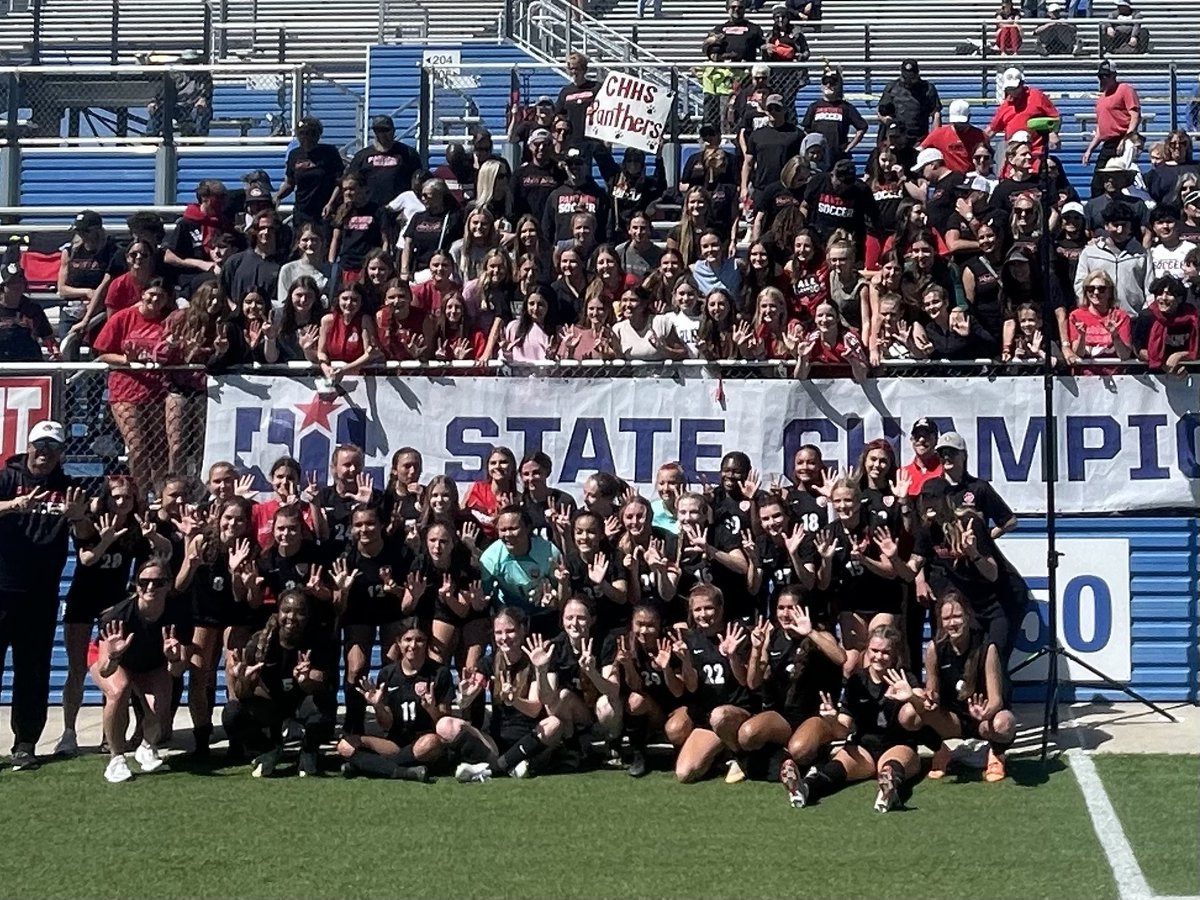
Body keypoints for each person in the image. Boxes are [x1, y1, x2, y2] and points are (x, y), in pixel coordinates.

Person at [57, 476, 171, 756]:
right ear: (106, 498)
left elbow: (164, 552)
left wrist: (151, 535)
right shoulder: (91, 521)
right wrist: (104, 541)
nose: (121, 502)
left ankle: (115, 734)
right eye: (115, 497)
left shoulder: (135, 527)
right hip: (83, 602)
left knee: (120, 671)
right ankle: (69, 732)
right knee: (77, 669)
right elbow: (86, 560)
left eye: (127, 498)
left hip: (115, 606)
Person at [0, 420, 86, 770]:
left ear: (61, 454)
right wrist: (12, 505)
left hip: (41, 595)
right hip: (2, 590)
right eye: (40, 446)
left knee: (33, 671)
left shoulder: (69, 488)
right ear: (28, 446)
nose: (45, 454)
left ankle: (25, 743)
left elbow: (85, 537)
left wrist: (78, 517)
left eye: (53, 448)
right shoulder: (6, 479)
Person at [786, 625, 920, 812]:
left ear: (895, 654)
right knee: (834, 769)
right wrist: (832, 720)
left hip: (898, 745)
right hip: (863, 748)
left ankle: (889, 792)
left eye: (885, 652)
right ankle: (804, 787)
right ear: (867, 650)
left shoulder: (904, 676)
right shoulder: (857, 680)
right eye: (874, 651)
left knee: (890, 767)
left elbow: (924, 710)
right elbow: (844, 729)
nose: (879, 657)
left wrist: (912, 697)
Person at [90, 558, 192, 783]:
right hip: (114, 660)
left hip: (151, 662)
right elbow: (105, 670)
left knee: (159, 706)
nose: (150, 587)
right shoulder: (117, 616)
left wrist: (173, 658)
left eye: (158, 582)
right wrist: (116, 654)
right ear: (136, 586)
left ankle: (147, 746)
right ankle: (116, 758)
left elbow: (177, 671)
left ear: (168, 584)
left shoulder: (179, 614)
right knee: (118, 692)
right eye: (144, 582)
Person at [222, 589, 338, 778]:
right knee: (232, 713)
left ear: (308, 616)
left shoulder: (318, 640)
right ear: (278, 612)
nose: (292, 617)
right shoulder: (259, 642)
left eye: (300, 612)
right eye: (286, 610)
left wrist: (305, 680)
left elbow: (321, 683)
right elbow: (243, 694)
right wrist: (244, 680)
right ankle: (269, 749)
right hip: (272, 703)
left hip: (302, 702)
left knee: (325, 708)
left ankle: (309, 751)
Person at [447, 607, 566, 781]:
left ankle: (493, 768)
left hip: (530, 736)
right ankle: (510, 763)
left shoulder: (536, 659)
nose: (504, 638)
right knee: (446, 725)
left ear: (522, 630)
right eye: (499, 633)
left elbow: (534, 709)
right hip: (496, 739)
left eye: (510, 631)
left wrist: (514, 700)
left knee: (554, 724)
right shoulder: (488, 662)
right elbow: (466, 701)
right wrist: (464, 696)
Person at [331, 503, 417, 736]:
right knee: (356, 668)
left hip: (392, 613)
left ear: (381, 525)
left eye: (370, 523)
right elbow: (339, 608)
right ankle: (354, 723)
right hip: (359, 614)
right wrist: (343, 591)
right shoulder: (346, 557)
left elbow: (411, 598)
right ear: (351, 528)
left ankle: (393, 722)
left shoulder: (400, 552)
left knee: (391, 667)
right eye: (358, 525)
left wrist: (395, 589)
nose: (364, 529)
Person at [915, 591, 1016, 782]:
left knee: (1004, 723)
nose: (952, 623)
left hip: (983, 718)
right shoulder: (934, 649)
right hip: (953, 719)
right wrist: (927, 699)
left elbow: (997, 699)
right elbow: (932, 692)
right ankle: (940, 751)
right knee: (911, 711)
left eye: (957, 616)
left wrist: (984, 713)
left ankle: (996, 754)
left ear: (968, 616)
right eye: (946, 618)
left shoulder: (987, 647)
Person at [337, 617, 451, 781]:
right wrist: (378, 706)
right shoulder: (387, 674)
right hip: (395, 743)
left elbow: (443, 726)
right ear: (398, 642)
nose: (413, 646)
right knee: (345, 745)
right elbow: (386, 724)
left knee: (430, 743)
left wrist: (431, 709)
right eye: (408, 640)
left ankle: (368, 766)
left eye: (419, 640)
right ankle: (403, 772)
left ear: (426, 643)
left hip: (423, 742)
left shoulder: (440, 673)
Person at [91, 278, 175, 494]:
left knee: (158, 449)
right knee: (137, 447)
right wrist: (128, 361)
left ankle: (158, 495)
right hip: (125, 389)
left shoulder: (169, 321)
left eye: (160, 296)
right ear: (142, 294)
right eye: (151, 294)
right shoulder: (124, 317)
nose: (155, 299)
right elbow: (102, 353)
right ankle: (138, 495)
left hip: (157, 392)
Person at [665, 584, 753, 783]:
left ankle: (741, 756)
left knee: (719, 716)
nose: (703, 614)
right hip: (707, 717)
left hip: (737, 712)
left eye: (708, 608)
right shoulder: (691, 639)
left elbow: (745, 681)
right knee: (685, 774)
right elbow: (692, 687)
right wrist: (686, 660)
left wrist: (732, 657)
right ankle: (720, 753)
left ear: (721, 608)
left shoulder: (737, 633)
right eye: (697, 609)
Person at [611, 605, 685, 776]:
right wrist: (628, 665)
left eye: (650, 625)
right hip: (650, 710)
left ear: (659, 625)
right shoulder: (627, 645)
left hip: (675, 707)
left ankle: (682, 752)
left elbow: (678, 692)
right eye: (639, 624)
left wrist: (666, 668)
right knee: (635, 701)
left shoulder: (672, 644)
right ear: (632, 624)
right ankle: (638, 753)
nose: (644, 631)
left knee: (676, 729)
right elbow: (635, 687)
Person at [479, 507, 563, 636]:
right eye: (503, 530)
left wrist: (554, 599)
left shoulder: (549, 552)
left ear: (528, 528)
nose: (508, 534)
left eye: (513, 529)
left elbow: (563, 592)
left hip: (543, 614)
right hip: (509, 616)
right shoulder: (490, 558)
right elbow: (484, 595)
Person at [1073, 203, 1154, 316]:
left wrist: (1145, 313)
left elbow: (1150, 288)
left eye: (1124, 225)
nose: (1120, 230)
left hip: (1133, 317)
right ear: (1106, 226)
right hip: (1099, 319)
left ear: (1130, 226)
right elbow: (1080, 285)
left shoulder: (1142, 254)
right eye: (1115, 225)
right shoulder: (1090, 253)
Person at [276, 116, 345, 233]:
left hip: (324, 210)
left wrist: (331, 203)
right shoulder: (294, 155)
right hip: (302, 211)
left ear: (318, 134)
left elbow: (340, 182)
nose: (306, 137)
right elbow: (290, 183)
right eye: (302, 133)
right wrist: (277, 196)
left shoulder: (329, 153)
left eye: (310, 133)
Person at [1083, 60, 1141, 197]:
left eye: (1106, 76)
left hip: (1123, 139)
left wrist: (1127, 138)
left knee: (1120, 179)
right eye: (1100, 76)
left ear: (1113, 76)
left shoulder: (1125, 89)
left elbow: (1135, 115)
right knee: (1098, 183)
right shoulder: (1102, 98)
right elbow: (1101, 128)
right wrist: (1090, 149)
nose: (1102, 79)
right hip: (1108, 142)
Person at [345, 114, 423, 212]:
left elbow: (418, 183)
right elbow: (350, 182)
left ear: (393, 131)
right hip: (369, 209)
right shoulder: (361, 156)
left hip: (398, 209)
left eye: (386, 130)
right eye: (378, 130)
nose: (382, 134)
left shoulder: (408, 154)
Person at [984, 68, 1061, 164]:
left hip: (1036, 155)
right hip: (1014, 157)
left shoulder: (1036, 96)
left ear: (1022, 84)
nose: (1012, 91)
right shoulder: (1005, 107)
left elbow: (1055, 116)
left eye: (1015, 88)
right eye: (1010, 89)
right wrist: (979, 143)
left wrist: (1053, 133)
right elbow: (992, 130)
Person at [741, 95, 805, 209]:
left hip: (787, 188)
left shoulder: (796, 134)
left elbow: (802, 162)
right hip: (762, 188)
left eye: (777, 108)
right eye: (770, 108)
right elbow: (748, 163)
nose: (773, 112)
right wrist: (744, 187)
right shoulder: (757, 135)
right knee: (759, 221)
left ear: (784, 110)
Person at [316, 284, 383, 385]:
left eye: (354, 300)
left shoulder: (364, 320)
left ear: (361, 303)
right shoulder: (327, 320)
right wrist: (326, 369)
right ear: (338, 300)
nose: (349, 303)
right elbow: (321, 352)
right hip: (332, 376)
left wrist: (344, 370)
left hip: (361, 379)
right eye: (345, 298)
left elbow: (369, 353)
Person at [1067, 270, 1135, 365]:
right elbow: (1078, 354)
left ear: (1110, 292)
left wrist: (1115, 336)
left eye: (1101, 289)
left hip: (1116, 376)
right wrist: (1081, 336)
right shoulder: (1076, 316)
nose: (1096, 292)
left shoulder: (1121, 316)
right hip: (1084, 376)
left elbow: (1125, 355)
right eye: (1090, 289)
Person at [0, 262, 58, 362]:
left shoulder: (32, 308)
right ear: (3, 286)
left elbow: (47, 336)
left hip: (29, 360)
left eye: (20, 282)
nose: (17, 287)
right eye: (12, 283)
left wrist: (54, 351)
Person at [877, 59, 942, 146]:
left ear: (917, 74)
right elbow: (880, 110)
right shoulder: (892, 87)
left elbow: (936, 114)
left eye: (911, 77)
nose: (908, 80)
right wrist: (884, 119)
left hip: (919, 139)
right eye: (905, 77)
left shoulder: (927, 88)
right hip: (896, 138)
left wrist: (934, 139)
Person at [919, 100, 988, 174]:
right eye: (956, 123)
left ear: (969, 117)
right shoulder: (938, 134)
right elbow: (920, 149)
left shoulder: (980, 136)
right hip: (949, 178)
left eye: (962, 123)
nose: (959, 126)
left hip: (972, 176)